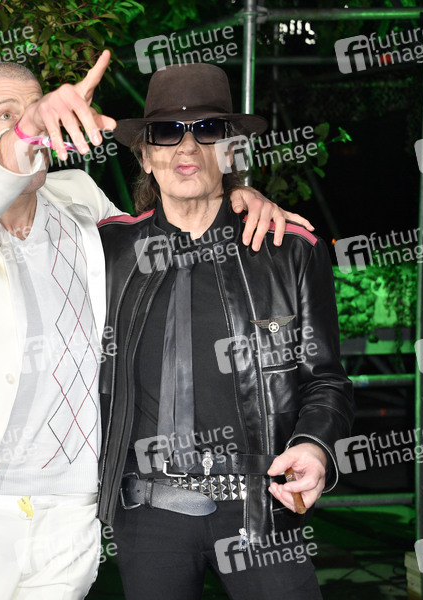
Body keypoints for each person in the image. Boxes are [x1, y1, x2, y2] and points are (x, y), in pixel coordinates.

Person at [0, 52, 311, 599]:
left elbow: (171, 224)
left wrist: (239, 197)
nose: (33, 128)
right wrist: (27, 128)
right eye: (7, 115)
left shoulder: (79, 199)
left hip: (75, 502)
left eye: (36, 111)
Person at [92, 63, 354, 599]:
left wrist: (314, 447)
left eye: (208, 130)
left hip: (262, 507)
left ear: (232, 150)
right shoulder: (105, 251)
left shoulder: (290, 251)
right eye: (167, 132)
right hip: (147, 514)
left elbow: (327, 380)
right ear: (145, 154)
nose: (187, 146)